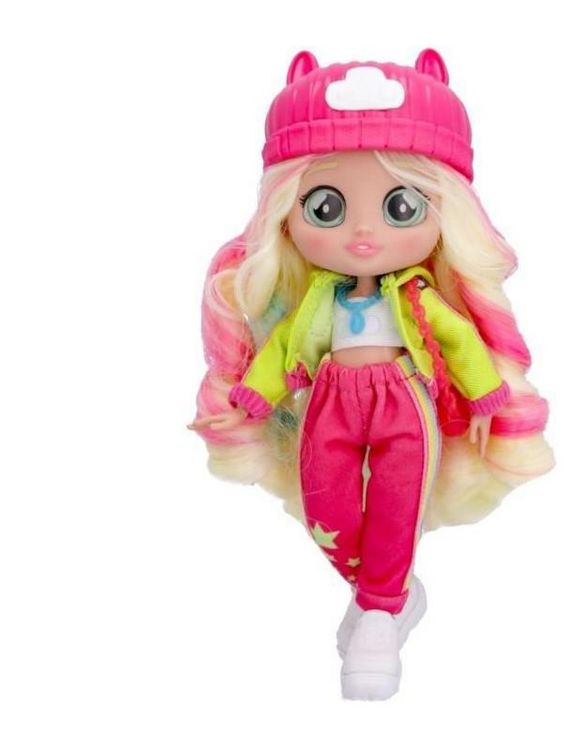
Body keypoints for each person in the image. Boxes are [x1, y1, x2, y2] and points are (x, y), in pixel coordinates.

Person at [187, 48, 554, 700]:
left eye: (400, 207)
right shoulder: (318, 299)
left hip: (402, 401)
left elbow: (459, 341)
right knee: (323, 505)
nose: (362, 233)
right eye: (326, 208)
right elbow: (285, 348)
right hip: (329, 400)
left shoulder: (418, 297)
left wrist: (485, 397)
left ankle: (379, 615)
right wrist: (255, 394)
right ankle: (391, 593)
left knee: (397, 500)